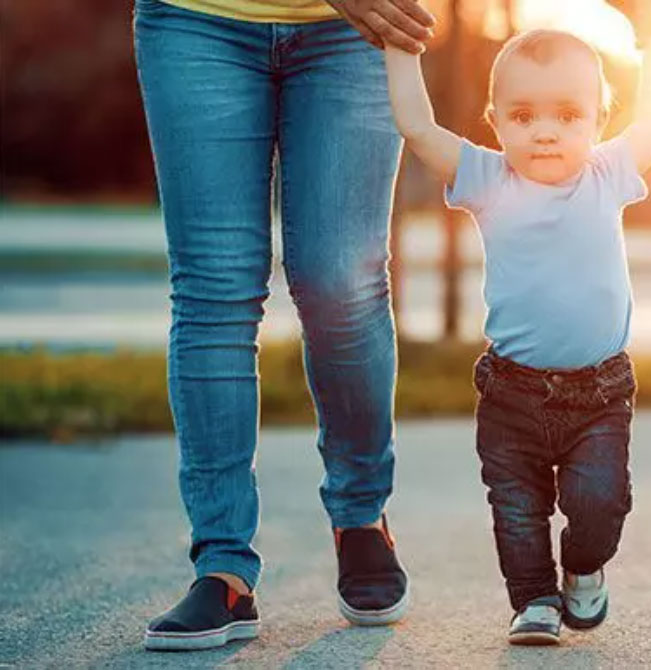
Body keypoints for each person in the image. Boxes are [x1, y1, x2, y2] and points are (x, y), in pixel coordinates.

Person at [383, 0, 651, 645]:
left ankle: (583, 568)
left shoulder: (607, 174)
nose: (544, 133)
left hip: (599, 394)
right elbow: (416, 126)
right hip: (511, 393)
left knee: (598, 504)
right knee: (516, 511)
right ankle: (534, 602)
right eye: (523, 117)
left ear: (600, 119)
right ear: (495, 123)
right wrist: (400, 46)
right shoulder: (489, 178)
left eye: (567, 116)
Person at [134, 0, 435, 651]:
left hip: (355, 31)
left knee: (341, 282)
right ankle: (223, 566)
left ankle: (361, 517)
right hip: (197, 19)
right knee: (216, 285)